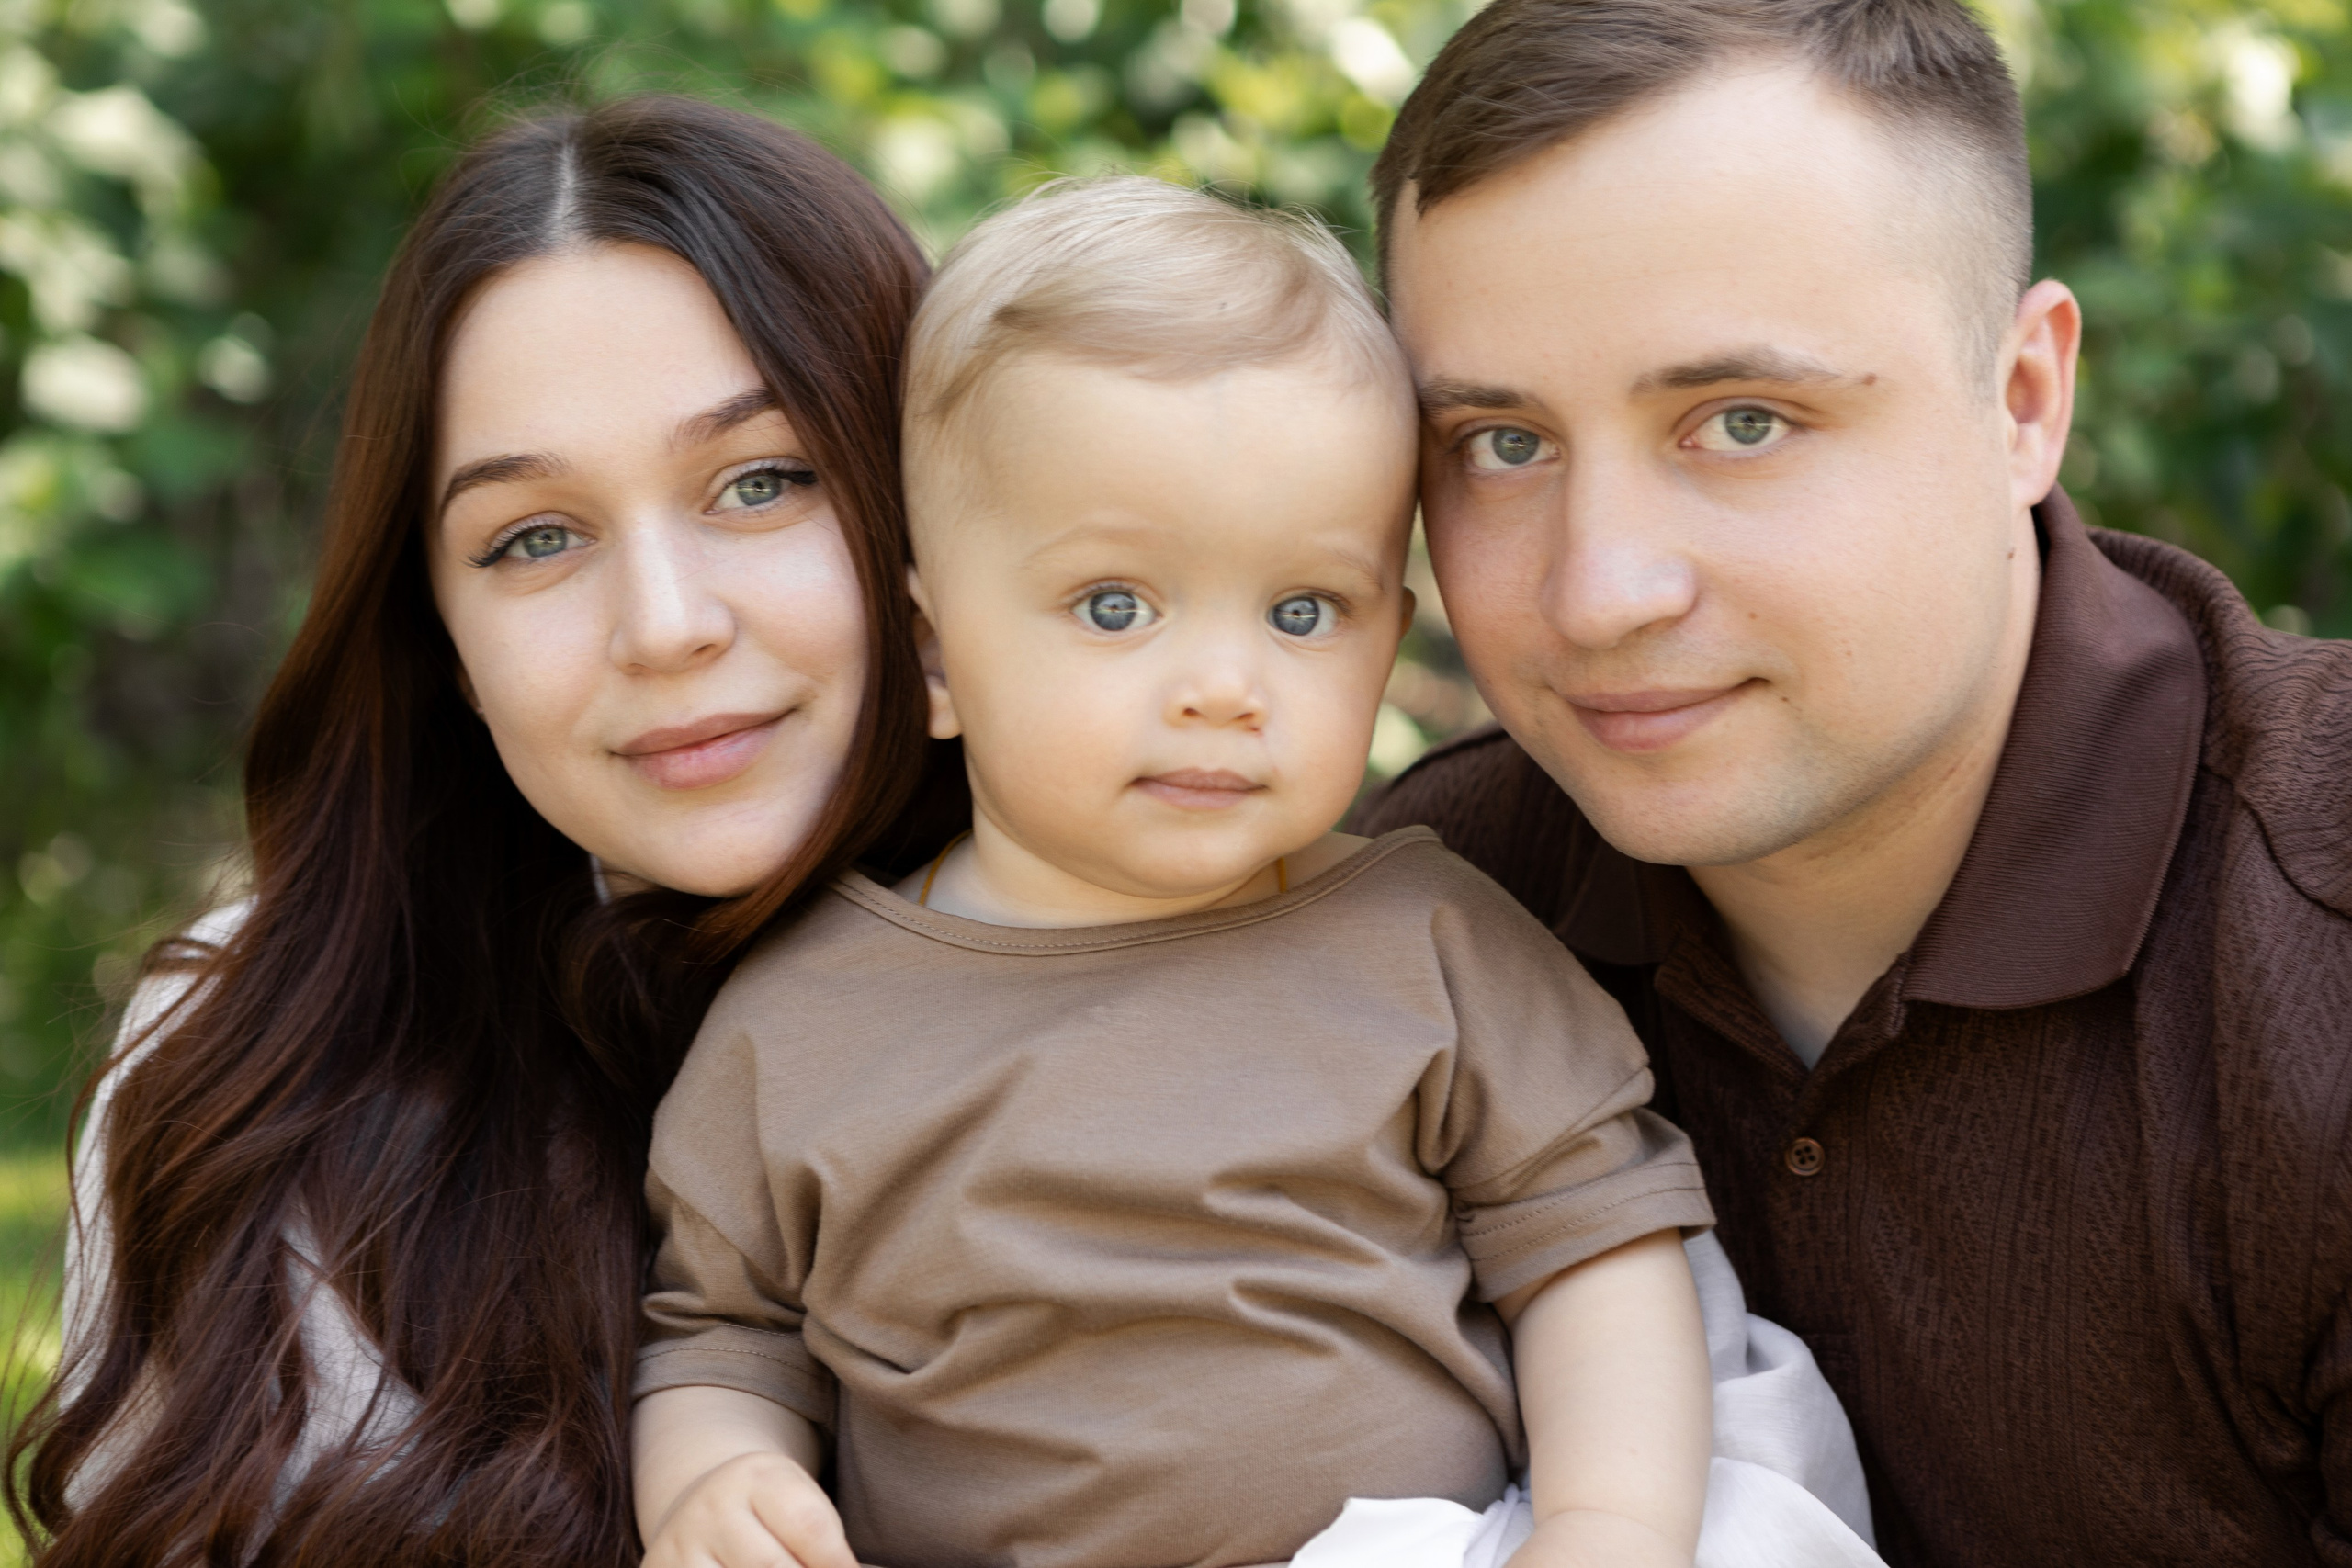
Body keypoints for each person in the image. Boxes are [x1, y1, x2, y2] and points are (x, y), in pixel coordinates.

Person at [628, 178, 1880, 1568]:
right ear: (933, 655)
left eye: (1302, 612)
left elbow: (1598, 1254)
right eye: (1117, 607)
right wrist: (713, 1482)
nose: (1225, 688)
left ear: (1387, 635)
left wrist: (1603, 1529)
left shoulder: (1433, 938)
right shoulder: (798, 1024)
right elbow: (726, 1338)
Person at [1352, 1, 2352, 1564]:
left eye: (1742, 422)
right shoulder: (1401, 922)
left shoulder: (2319, 942)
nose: (1600, 590)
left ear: (2023, 400)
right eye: (1499, 444)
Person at [8, 96, 937, 1568]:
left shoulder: (1256, 961)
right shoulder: (267, 1074)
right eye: (534, 538)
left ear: (932, 507)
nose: (666, 626)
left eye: (760, 482)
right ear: (443, 639)